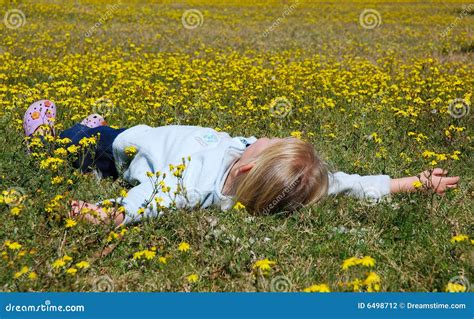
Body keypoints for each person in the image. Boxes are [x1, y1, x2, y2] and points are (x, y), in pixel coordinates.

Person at [23, 100, 460, 227]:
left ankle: (49, 139)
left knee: (81, 144)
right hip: (143, 135)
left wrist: (112, 215)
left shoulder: (190, 184)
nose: (263, 136)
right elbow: (349, 183)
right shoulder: (297, 180)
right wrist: (412, 183)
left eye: (267, 142)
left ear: (249, 167)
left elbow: (153, 200)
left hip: (122, 147)